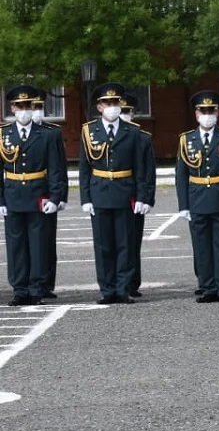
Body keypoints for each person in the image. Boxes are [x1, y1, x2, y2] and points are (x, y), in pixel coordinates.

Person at [79, 83, 155, 305]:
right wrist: (85, 198)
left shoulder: (132, 132)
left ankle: (123, 288)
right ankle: (107, 289)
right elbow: (84, 168)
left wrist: (143, 197)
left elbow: (141, 168)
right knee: (103, 245)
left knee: (125, 244)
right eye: (108, 103)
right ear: (100, 107)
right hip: (100, 191)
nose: (113, 107)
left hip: (124, 192)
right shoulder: (88, 131)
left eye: (116, 103)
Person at [175, 91, 219, 303]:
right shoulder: (186, 139)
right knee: (202, 247)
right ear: (196, 114)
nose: (207, 115)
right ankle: (207, 288)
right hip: (197, 199)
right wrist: (183, 205)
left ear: (217, 112)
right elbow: (181, 175)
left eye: (211, 110)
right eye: (203, 111)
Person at [1, 86, 67, 306]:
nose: (24, 110)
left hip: (39, 194)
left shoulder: (48, 134)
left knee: (39, 245)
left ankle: (37, 288)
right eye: (19, 106)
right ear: (11, 108)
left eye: (27, 106)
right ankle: (20, 289)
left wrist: (56, 198)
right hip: (12, 196)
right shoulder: (4, 135)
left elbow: (56, 168)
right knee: (16, 245)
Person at [31, 90, 67, 301]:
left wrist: (60, 196)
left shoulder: (51, 132)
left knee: (46, 240)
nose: (35, 112)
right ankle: (30, 282)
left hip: (46, 190)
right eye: (31, 107)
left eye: (38, 107)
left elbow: (59, 166)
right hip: (26, 192)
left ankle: (46, 282)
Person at [120, 93, 155, 298]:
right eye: (121, 111)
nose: (124, 115)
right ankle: (117, 281)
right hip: (114, 193)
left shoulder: (142, 137)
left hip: (135, 194)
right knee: (115, 242)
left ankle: (132, 282)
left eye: (127, 111)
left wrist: (147, 197)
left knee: (132, 241)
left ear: (133, 113)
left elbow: (148, 171)